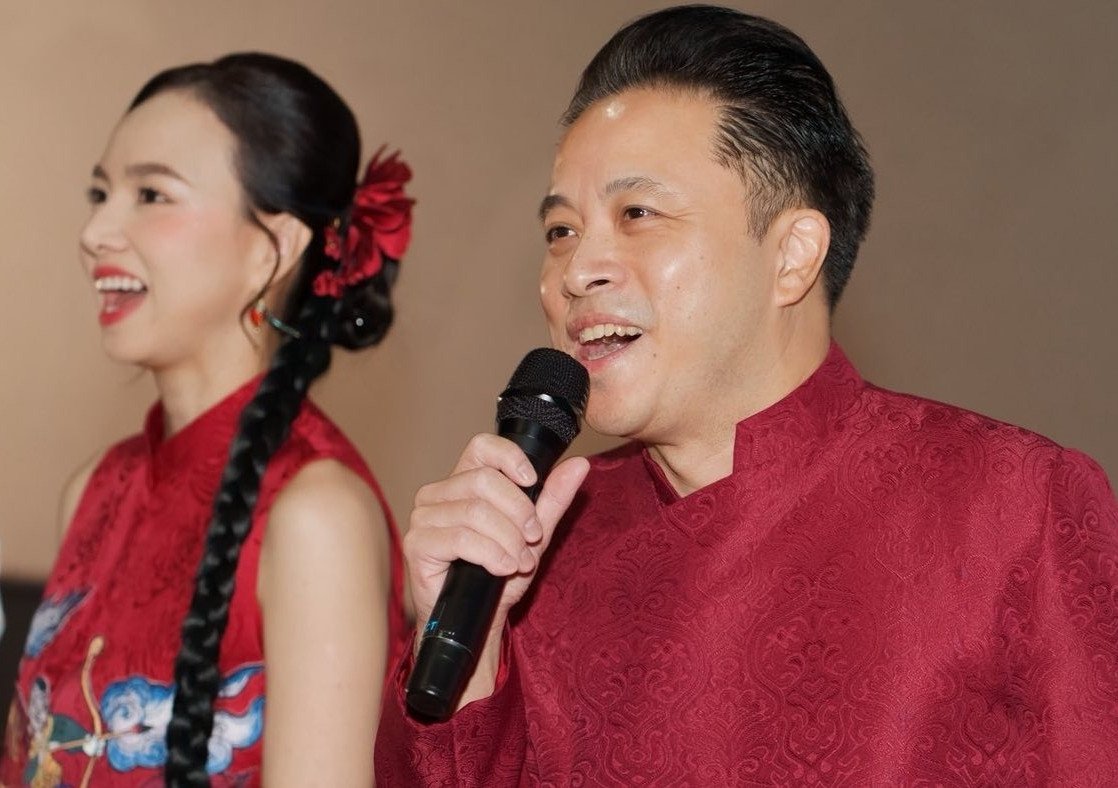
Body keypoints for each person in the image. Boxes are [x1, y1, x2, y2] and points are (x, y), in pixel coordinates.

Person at [375, 5, 1118, 785]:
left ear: (793, 256)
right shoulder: (536, 551)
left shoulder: (1012, 508)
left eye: (637, 214)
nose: (577, 270)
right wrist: (465, 642)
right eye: (561, 231)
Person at [1, 53, 412, 786]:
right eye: (100, 193)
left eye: (151, 194)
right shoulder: (95, 488)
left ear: (272, 251)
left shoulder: (317, 516)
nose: (95, 231)